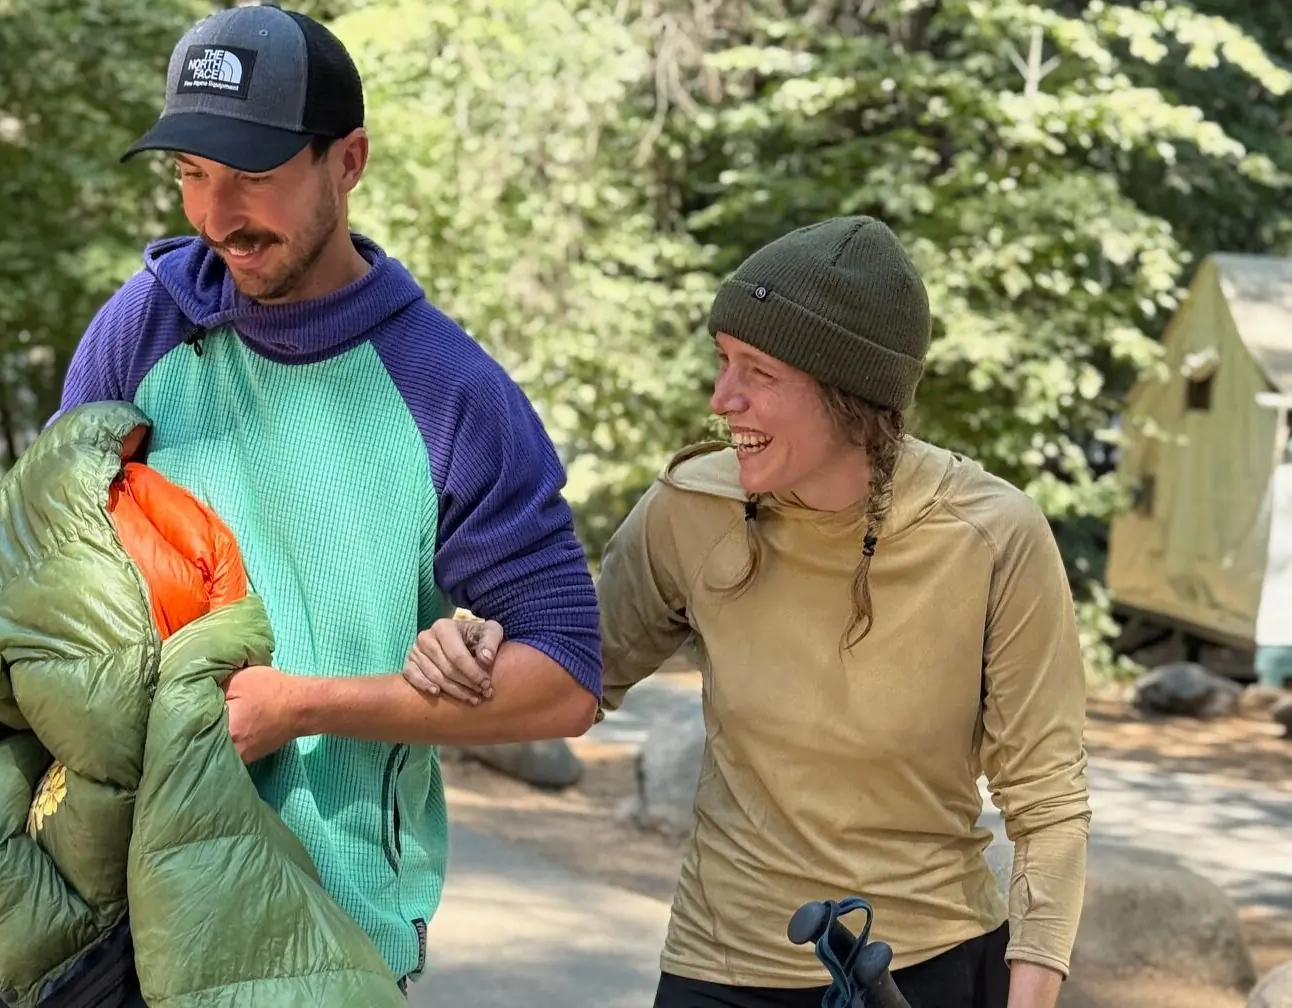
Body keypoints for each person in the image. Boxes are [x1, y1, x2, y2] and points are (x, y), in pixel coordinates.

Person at [401, 216, 1092, 1007]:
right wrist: (476, 645)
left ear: (850, 394)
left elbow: (1049, 805)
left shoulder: (992, 536)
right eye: (722, 361)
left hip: (926, 965)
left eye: (756, 371)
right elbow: (572, 679)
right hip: (720, 968)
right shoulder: (690, 508)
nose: (721, 398)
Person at [55, 5, 603, 996]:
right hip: (111, 911)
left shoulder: (450, 394)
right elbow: (46, 564)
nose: (217, 216)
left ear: (346, 163)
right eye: (191, 174)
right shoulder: (145, 330)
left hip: (326, 935)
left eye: (252, 176)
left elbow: (564, 678)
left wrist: (303, 707)